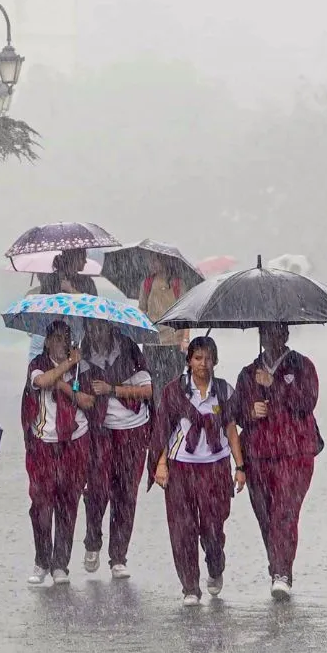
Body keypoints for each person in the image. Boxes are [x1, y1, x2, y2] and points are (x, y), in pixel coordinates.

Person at [151, 336, 246, 606]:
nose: (203, 364)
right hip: (181, 467)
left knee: (213, 528)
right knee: (182, 529)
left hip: (215, 467)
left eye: (208, 358)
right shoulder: (174, 391)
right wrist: (160, 464)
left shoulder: (224, 391)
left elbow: (231, 429)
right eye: (197, 358)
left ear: (215, 361)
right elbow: (162, 431)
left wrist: (239, 467)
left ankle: (215, 566)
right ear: (189, 361)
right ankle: (190, 586)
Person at [235, 323, 319, 599]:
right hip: (258, 455)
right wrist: (250, 410)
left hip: (294, 453)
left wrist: (276, 387)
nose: (270, 339)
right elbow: (235, 413)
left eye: (275, 333)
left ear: (285, 335)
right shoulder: (248, 374)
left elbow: (306, 403)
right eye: (265, 334)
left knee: (285, 512)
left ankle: (283, 572)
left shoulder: (303, 366)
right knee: (266, 515)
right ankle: (277, 567)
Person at [22, 320, 101, 587]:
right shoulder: (37, 364)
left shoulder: (83, 368)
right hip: (44, 443)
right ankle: (41, 560)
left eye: (65, 339)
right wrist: (66, 368)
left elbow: (89, 401)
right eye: (55, 338)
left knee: (68, 505)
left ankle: (60, 564)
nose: (60, 344)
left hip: (74, 442)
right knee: (41, 506)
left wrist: (72, 384)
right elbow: (43, 381)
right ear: (46, 341)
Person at [80, 318, 153, 579]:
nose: (96, 333)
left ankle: (119, 557)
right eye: (91, 328)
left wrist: (113, 389)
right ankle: (92, 540)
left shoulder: (130, 349)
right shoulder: (83, 353)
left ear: (111, 328)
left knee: (126, 493)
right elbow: (76, 390)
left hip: (133, 430)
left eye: (100, 327)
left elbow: (146, 390)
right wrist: (81, 394)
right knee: (97, 488)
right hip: (100, 430)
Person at [27, 249, 99, 360]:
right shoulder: (52, 279)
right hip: (52, 336)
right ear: (74, 259)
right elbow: (44, 309)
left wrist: (70, 289)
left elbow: (93, 306)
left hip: (75, 336)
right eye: (83, 258)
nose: (85, 262)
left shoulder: (86, 282)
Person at [140, 255, 188, 391]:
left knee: (173, 383)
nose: (151, 263)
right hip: (152, 342)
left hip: (173, 342)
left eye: (154, 260)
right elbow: (142, 310)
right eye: (151, 260)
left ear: (165, 261)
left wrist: (185, 338)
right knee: (151, 382)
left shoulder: (178, 284)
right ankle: (155, 410)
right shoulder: (147, 283)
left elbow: (185, 313)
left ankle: (169, 411)